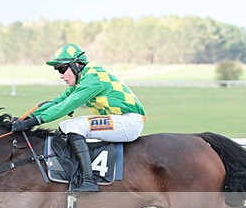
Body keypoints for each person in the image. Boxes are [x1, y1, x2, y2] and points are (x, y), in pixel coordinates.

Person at [11, 43, 146, 193]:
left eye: (62, 69)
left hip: (129, 122)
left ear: (77, 65)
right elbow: (58, 102)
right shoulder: (83, 79)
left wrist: (35, 121)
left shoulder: (93, 77)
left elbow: (67, 105)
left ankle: (89, 180)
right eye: (58, 71)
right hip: (119, 120)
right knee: (65, 126)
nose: (61, 75)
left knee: (75, 126)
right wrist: (27, 118)